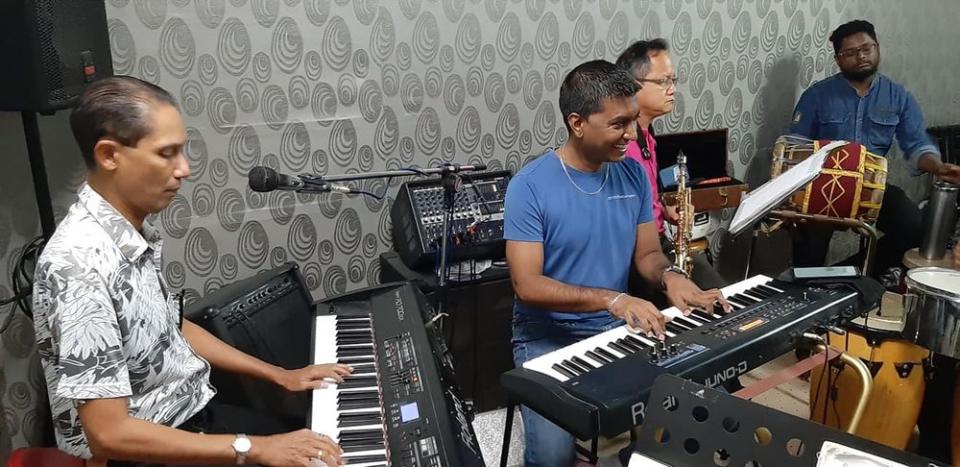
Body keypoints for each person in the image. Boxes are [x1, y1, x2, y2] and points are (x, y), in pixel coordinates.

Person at [32, 76, 350, 467]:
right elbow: (109, 433)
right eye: (167, 154)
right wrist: (255, 449)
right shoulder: (80, 264)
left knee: (326, 443)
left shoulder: (125, 232)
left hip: (194, 416)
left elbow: (172, 327)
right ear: (109, 155)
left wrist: (280, 375)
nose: (185, 169)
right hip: (143, 452)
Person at [503, 60, 731, 467]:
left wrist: (671, 277)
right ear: (577, 123)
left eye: (632, 121)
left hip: (615, 331)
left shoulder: (632, 175)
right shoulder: (530, 186)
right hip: (546, 339)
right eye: (618, 124)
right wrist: (614, 300)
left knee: (694, 414)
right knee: (553, 457)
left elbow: (647, 255)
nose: (631, 134)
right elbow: (527, 285)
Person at [788, 19, 960, 274]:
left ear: (877, 48)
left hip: (872, 187)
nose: (861, 56)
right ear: (838, 59)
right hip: (823, 187)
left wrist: (937, 166)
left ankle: (853, 275)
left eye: (866, 48)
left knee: (914, 229)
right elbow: (795, 146)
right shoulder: (816, 96)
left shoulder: (897, 96)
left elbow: (916, 144)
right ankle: (810, 290)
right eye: (850, 53)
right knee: (809, 243)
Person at [616, 38, 727, 290]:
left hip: (658, 241)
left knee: (717, 291)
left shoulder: (647, 133)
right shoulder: (621, 148)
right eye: (663, 81)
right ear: (633, 86)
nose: (672, 89)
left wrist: (663, 209)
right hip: (636, 255)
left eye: (673, 80)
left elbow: (647, 193)